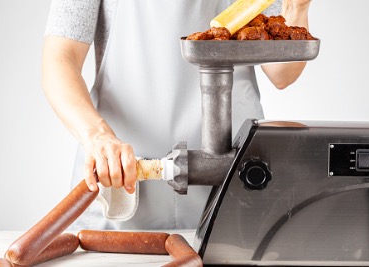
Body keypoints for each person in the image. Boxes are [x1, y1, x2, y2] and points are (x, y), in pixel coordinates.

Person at [42, 0, 313, 230]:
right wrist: (98, 137)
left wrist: (297, 7)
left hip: (230, 175)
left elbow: (282, 73)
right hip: (122, 174)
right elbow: (59, 60)